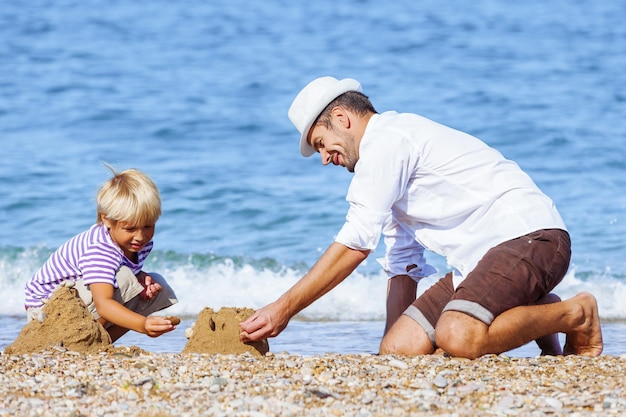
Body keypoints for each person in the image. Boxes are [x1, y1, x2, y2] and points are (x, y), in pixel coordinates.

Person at [240, 76, 603, 359]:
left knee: (457, 335)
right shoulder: (385, 165)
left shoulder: (388, 142)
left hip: (530, 237)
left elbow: (356, 242)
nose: (324, 158)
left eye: (321, 143)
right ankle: (539, 308)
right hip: (480, 262)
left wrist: (283, 309)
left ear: (340, 118)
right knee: (400, 350)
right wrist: (388, 348)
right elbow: (403, 262)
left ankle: (575, 314)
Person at [24, 164, 178, 342]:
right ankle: (81, 341)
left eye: (148, 226)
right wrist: (143, 325)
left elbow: (117, 270)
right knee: (124, 278)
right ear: (106, 219)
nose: (140, 236)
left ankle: (101, 342)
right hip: (46, 311)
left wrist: (140, 276)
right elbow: (103, 304)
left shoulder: (138, 244)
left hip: (82, 298)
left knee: (157, 285)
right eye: (130, 228)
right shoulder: (100, 249)